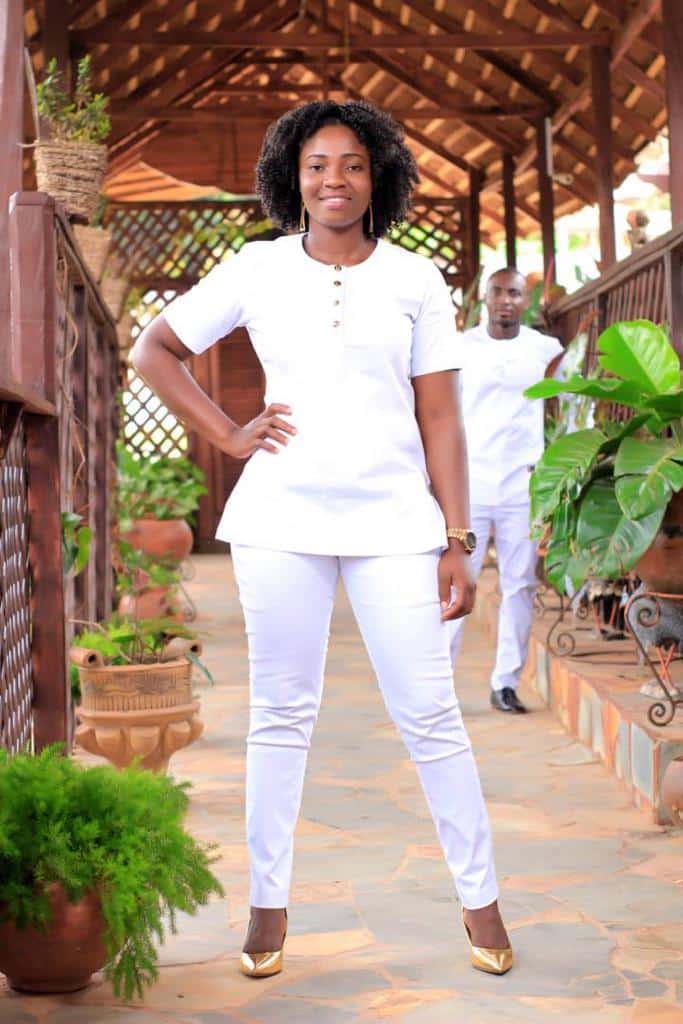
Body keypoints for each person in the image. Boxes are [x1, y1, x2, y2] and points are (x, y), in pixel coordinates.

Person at [131, 100, 512, 980]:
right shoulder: (256, 268)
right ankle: (266, 909)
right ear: (290, 180)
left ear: (378, 177)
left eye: (351, 164)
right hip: (280, 519)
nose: (333, 179)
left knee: (429, 712)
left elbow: (440, 416)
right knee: (280, 714)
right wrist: (228, 435)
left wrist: (456, 538)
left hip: (395, 523)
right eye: (315, 165)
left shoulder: (416, 279)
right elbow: (154, 350)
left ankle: (482, 901)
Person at [449, 268, 563, 713]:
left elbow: (572, 403)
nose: (505, 301)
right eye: (497, 292)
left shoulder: (545, 349)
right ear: (485, 298)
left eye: (514, 293)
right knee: (458, 582)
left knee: (520, 584)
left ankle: (506, 684)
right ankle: (440, 686)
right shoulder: (461, 348)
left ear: (525, 300)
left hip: (523, 485)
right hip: (470, 486)